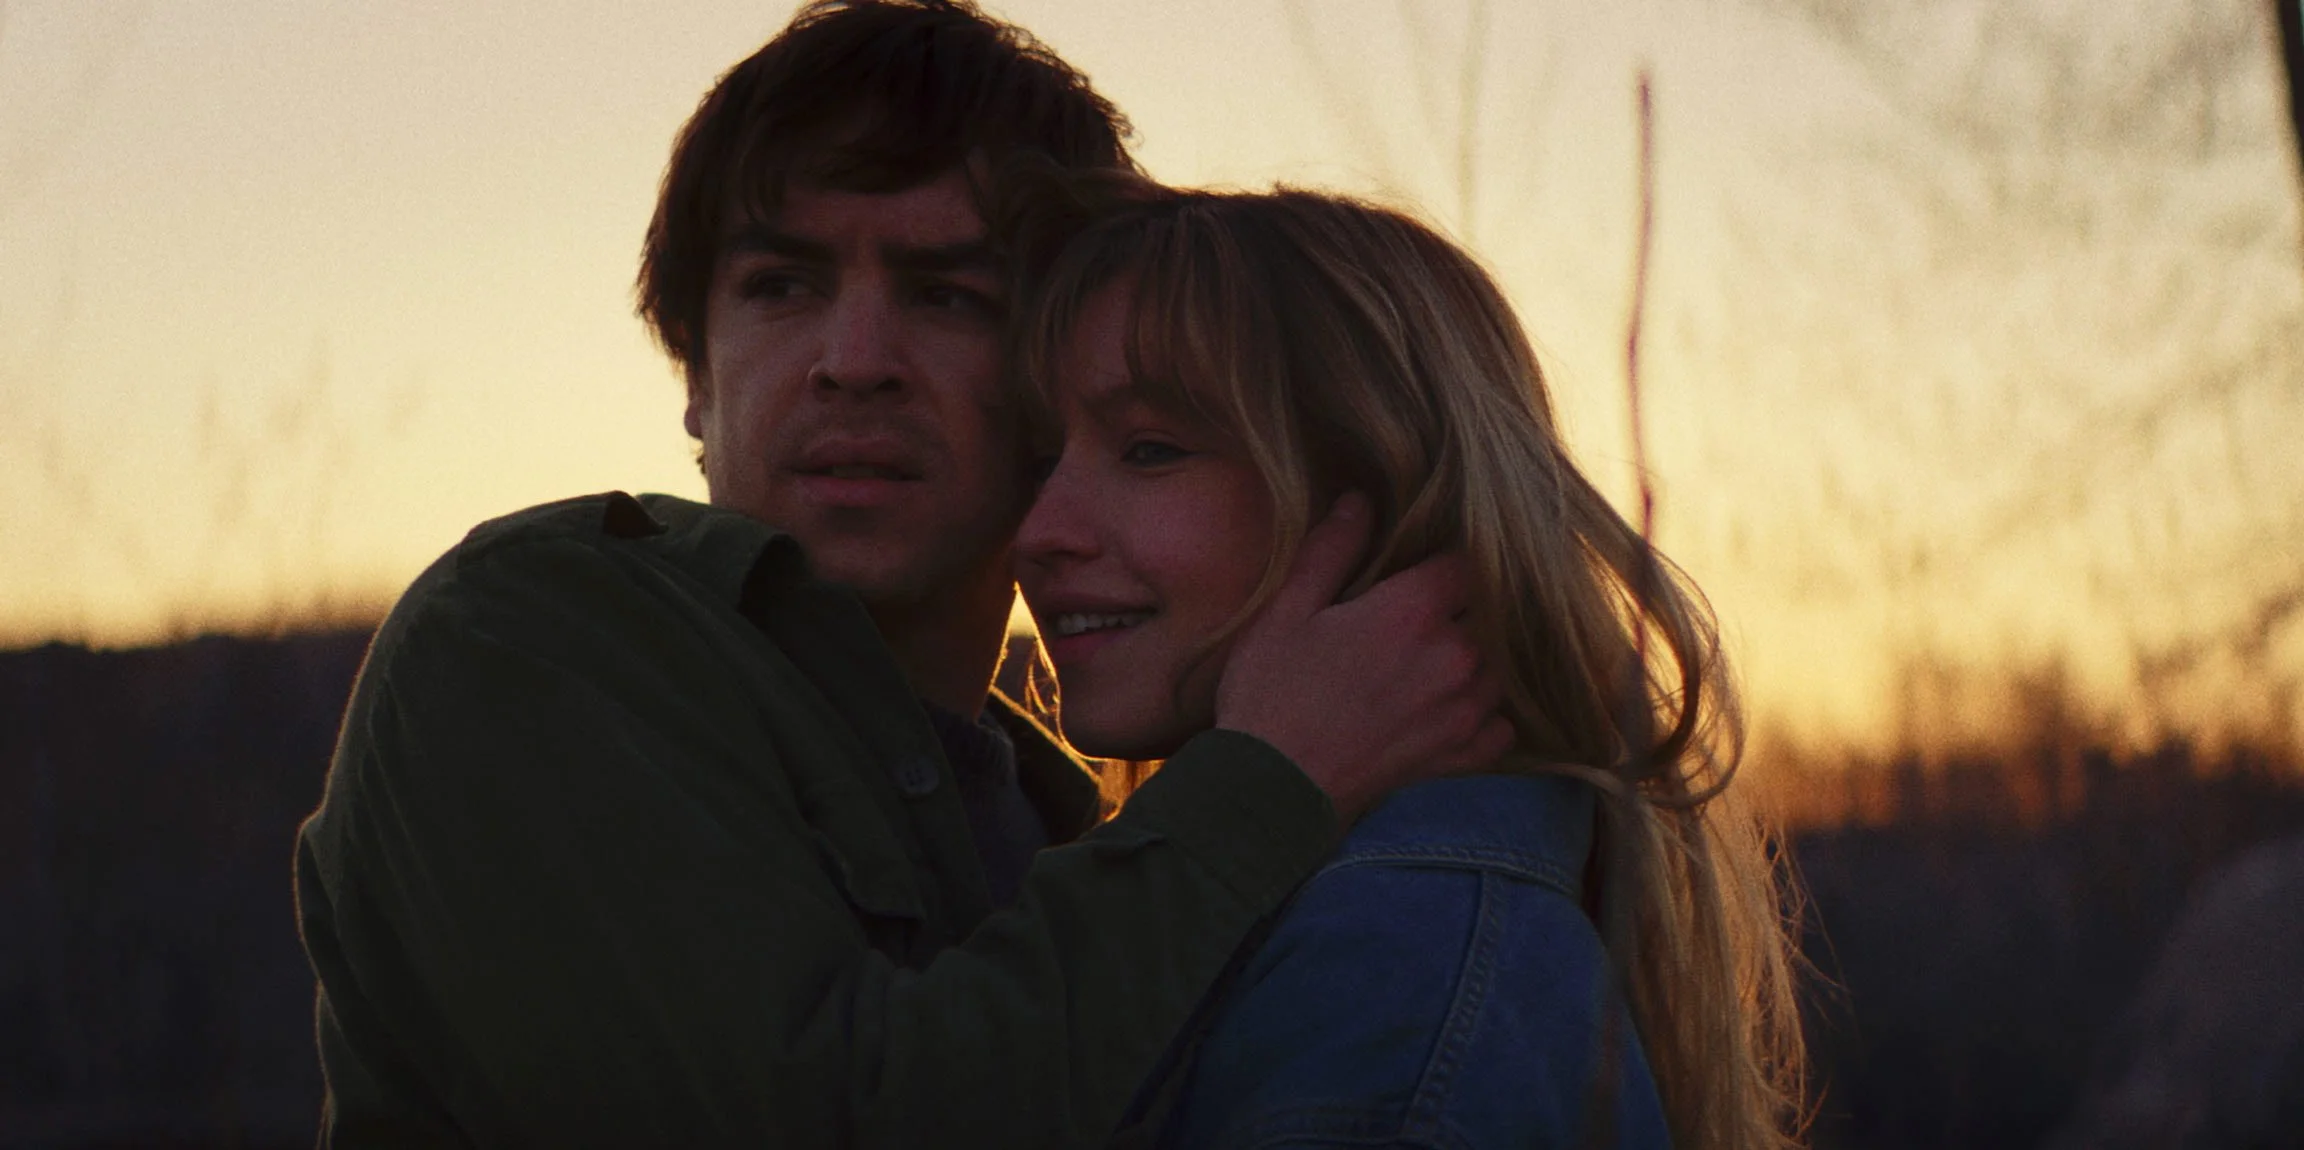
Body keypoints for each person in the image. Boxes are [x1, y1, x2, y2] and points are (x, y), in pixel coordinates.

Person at [292, 4, 1507, 1146]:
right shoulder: (531, 631)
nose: (854, 361)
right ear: (698, 384)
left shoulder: (1063, 823)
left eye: (945, 294)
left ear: (1055, 381)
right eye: (782, 286)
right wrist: (1268, 783)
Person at [1015, 186, 1809, 1149]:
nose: (1038, 533)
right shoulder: (1335, 937)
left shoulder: (1393, 993)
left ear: (1384, 497)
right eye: (1040, 456)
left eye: (1149, 450)